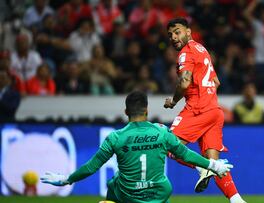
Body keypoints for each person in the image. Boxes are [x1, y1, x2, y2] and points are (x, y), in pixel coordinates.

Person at [40, 91, 233, 203]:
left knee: (114, 182)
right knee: (165, 186)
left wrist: (67, 180)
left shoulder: (115, 138)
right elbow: (186, 154)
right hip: (158, 193)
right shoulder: (162, 133)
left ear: (126, 111)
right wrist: (213, 165)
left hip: (128, 195)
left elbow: (91, 167)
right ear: (147, 110)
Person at [164, 18, 246, 203]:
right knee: (217, 165)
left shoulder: (186, 53)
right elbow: (216, 82)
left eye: (177, 32)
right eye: (170, 35)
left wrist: (174, 101)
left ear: (188, 32)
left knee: (167, 146)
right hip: (214, 111)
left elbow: (184, 82)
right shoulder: (202, 50)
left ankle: (203, 168)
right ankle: (237, 200)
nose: (174, 37)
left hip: (198, 109)